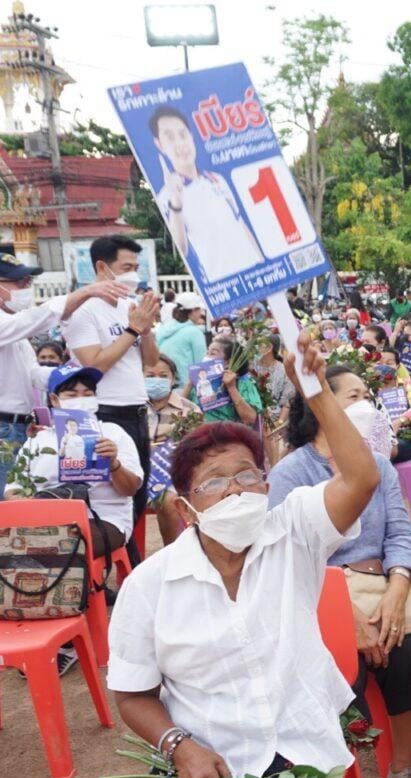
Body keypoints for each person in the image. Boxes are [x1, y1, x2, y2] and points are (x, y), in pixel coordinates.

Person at [108, 334, 378, 778]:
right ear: (186, 509)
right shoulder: (150, 585)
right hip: (206, 754)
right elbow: (133, 696)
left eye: (247, 475)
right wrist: (179, 746)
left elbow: (361, 478)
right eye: (214, 483)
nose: (235, 490)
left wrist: (316, 391)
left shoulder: (294, 531)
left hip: (296, 744)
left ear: (266, 485)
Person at [269, 363, 411, 778]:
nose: (366, 405)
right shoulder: (290, 473)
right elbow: (289, 559)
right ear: (320, 406)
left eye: (368, 396)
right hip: (323, 596)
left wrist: (397, 588)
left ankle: (403, 769)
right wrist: (344, 615)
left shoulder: (378, 465)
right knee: (342, 673)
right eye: (354, 396)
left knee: (409, 660)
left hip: (379, 588)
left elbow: (401, 533)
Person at [0, 253, 129, 524]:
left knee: (23, 506)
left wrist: (77, 379)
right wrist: (87, 291)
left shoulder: (12, 331)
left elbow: (34, 375)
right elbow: (35, 319)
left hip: (13, 425)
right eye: (18, 282)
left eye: (28, 281)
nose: (26, 287)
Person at [8, 364, 143, 616]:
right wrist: (33, 504)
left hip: (105, 519)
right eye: (72, 394)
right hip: (46, 519)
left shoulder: (113, 434)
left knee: (60, 544)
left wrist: (114, 464)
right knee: (11, 543)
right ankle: (26, 608)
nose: (81, 399)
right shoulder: (39, 440)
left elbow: (130, 489)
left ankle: (66, 615)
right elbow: (13, 491)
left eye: (87, 393)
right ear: (54, 400)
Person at [64, 235, 161, 531]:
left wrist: (145, 331)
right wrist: (133, 330)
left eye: (136, 267)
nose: (133, 275)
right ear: (102, 268)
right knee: (110, 494)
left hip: (136, 409)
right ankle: (114, 550)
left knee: (138, 489)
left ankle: (129, 553)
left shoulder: (129, 306)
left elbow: (152, 361)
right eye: (126, 267)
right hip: (104, 411)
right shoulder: (83, 311)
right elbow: (94, 365)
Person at [150, 106, 265, 281]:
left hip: (254, 270)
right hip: (223, 281)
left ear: (191, 136)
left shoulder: (216, 179)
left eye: (183, 134)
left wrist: (261, 261)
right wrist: (177, 202)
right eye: (170, 137)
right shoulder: (167, 196)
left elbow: (239, 221)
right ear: (160, 145)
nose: (180, 144)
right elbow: (182, 248)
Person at [144, 355, 200, 545]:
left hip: (170, 476)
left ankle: (172, 551)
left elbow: (196, 450)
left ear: (173, 378)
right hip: (136, 474)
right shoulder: (131, 408)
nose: (156, 380)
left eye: (163, 376)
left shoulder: (189, 410)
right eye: (150, 375)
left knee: (169, 500)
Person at [374, 345, 411, 464]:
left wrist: (399, 422)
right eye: (380, 363)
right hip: (379, 438)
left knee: (385, 450)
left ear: (398, 366)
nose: (384, 366)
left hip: (404, 437)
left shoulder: (406, 384)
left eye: (389, 363)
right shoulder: (370, 388)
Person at [194, 335, 263, 425]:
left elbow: (251, 419)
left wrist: (231, 388)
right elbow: (182, 411)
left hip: (227, 431)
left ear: (228, 362)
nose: (207, 357)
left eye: (213, 353)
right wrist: (189, 384)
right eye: (207, 353)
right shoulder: (200, 381)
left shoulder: (243, 383)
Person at [156, 291, 208, 395]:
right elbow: (201, 365)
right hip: (186, 389)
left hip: (162, 386)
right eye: (199, 310)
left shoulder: (163, 328)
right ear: (193, 311)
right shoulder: (195, 332)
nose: (200, 314)